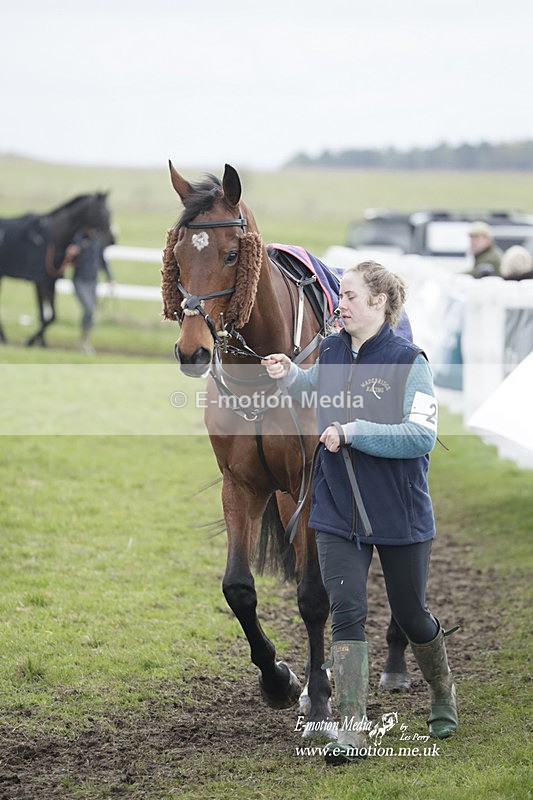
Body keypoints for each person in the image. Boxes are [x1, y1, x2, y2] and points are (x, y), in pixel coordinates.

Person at [263, 260, 458, 765]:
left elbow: (420, 436)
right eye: (340, 296)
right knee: (346, 615)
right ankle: (352, 729)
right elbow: (317, 390)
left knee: (412, 616)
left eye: (348, 296)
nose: (339, 304)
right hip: (337, 510)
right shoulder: (329, 349)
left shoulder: (408, 360)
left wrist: (353, 431)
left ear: (378, 303)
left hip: (399, 511)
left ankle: (442, 692)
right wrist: (290, 376)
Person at [67, 227, 115, 354]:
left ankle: (84, 340)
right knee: (89, 309)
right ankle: (83, 341)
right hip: (80, 280)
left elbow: (102, 260)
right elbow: (69, 256)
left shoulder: (97, 240)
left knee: (91, 312)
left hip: (93, 281)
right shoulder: (78, 238)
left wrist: (110, 278)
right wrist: (71, 253)